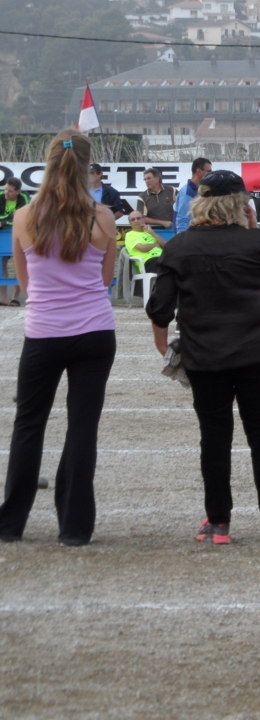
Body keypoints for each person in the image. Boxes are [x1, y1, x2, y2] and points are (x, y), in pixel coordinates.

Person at [146, 169, 260, 545]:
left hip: (204, 357)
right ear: (239, 204)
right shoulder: (252, 241)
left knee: (214, 438)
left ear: (201, 201)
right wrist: (254, 229)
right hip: (255, 353)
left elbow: (159, 307)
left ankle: (218, 522)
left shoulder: (179, 245)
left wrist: (164, 348)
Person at [0, 130, 117, 546]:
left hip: (44, 331)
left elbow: (26, 282)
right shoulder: (102, 217)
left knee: (28, 425)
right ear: (88, 167)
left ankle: (11, 523)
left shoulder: (25, 216)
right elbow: (105, 280)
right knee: (82, 428)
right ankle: (75, 527)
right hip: (94, 331)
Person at [1, 177, 29, 306]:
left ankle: (16, 297)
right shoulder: (1, 196)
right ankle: (2, 297)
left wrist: (4, 222)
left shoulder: (24, 197)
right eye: (6, 189)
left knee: (19, 263)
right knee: (2, 264)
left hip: (18, 234)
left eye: (10, 191)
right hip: (3, 235)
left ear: (18, 191)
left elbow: (23, 216)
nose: (7, 193)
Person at [173, 157, 212, 233]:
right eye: (209, 171)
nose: (211, 174)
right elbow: (182, 221)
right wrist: (183, 242)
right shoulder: (187, 193)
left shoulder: (202, 189)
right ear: (199, 171)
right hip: (189, 237)